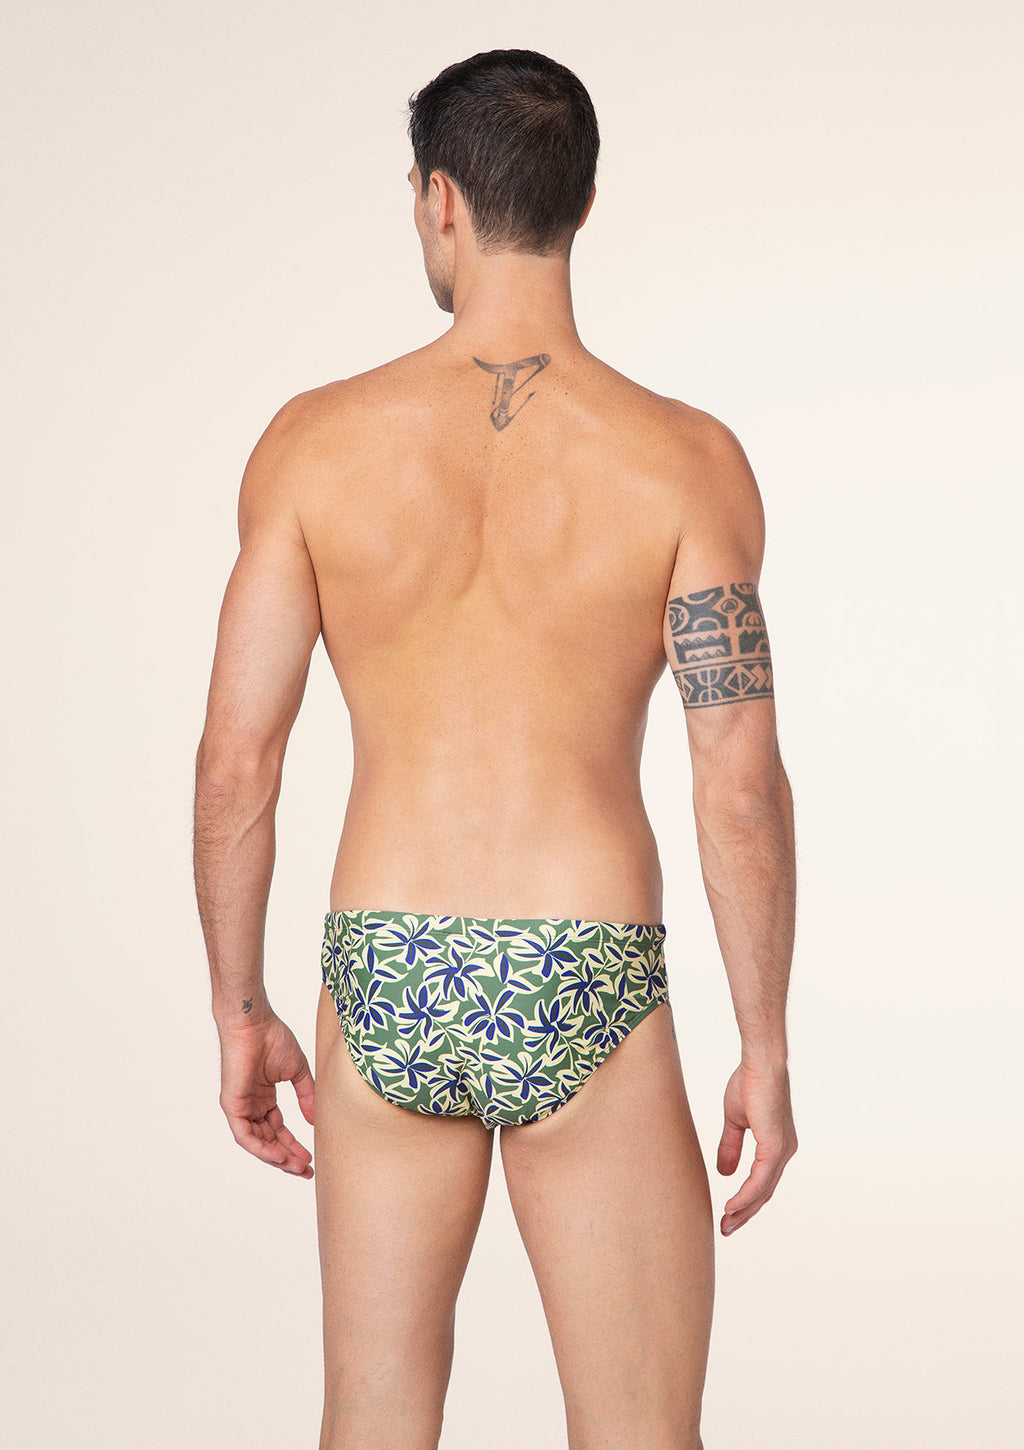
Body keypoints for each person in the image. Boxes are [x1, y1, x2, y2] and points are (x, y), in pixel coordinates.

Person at [193, 46, 798, 1450]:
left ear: (440, 200)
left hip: (387, 966)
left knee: (373, 1423)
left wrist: (240, 1006)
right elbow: (738, 783)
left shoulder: (312, 445)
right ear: (582, 202)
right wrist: (764, 1043)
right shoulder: (685, 460)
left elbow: (237, 763)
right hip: (588, 963)